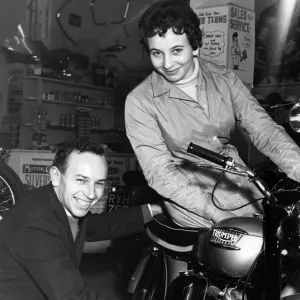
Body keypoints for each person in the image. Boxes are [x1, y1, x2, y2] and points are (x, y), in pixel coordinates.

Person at [124, 1, 300, 229]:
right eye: (156, 53)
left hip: (241, 190)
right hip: (192, 202)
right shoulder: (140, 101)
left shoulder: (225, 79)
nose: (167, 64)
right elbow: (160, 172)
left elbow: (264, 130)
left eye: (177, 51)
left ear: (195, 46)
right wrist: (216, 214)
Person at [0, 138, 162, 300]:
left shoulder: (57, 202)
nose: (91, 194)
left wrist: (154, 210)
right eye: (81, 180)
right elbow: (74, 297)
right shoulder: (37, 226)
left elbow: (101, 225)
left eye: (98, 183)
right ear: (55, 176)